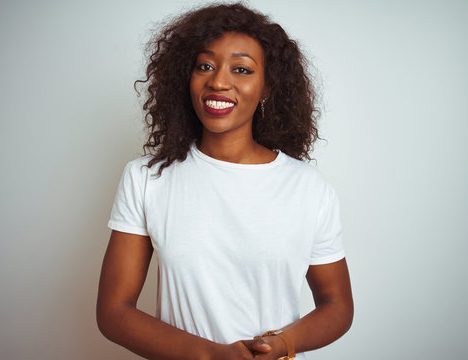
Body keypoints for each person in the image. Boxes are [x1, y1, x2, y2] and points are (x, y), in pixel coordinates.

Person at [96, 3, 353, 359]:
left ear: (266, 88)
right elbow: (114, 312)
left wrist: (280, 343)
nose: (218, 81)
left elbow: (337, 305)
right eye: (205, 66)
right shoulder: (147, 177)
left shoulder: (307, 187)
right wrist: (212, 355)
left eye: (242, 69)